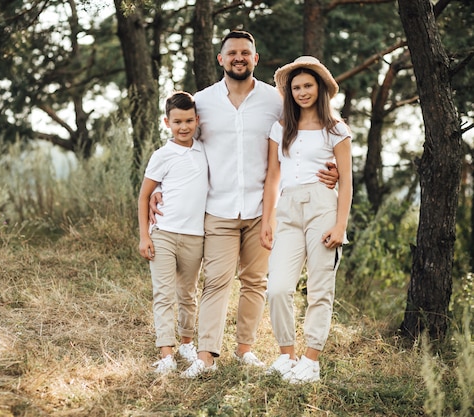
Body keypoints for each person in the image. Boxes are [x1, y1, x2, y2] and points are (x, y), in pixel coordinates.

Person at [151, 31, 340, 379]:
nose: (239, 58)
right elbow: (180, 140)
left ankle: (245, 350)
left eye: (246, 53)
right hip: (217, 208)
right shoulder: (203, 102)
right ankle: (206, 357)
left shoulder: (275, 100)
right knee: (216, 282)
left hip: (263, 210)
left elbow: (315, 128)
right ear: (221, 59)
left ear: (256, 59)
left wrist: (332, 169)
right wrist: (159, 187)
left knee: (255, 282)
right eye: (232, 53)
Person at [260, 56, 352, 384]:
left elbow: (347, 181)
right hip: (287, 208)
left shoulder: (336, 129)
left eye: (307, 86)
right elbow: (273, 175)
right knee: (278, 288)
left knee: (319, 287)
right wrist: (266, 219)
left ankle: (311, 361)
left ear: (320, 88)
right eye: (296, 87)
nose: (301, 92)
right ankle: (288, 356)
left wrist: (340, 225)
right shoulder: (281, 127)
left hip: (322, 206)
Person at [137, 91, 207, 374]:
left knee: (188, 293)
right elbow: (144, 196)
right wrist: (144, 236)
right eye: (177, 121)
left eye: (189, 120)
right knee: (163, 294)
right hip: (163, 234)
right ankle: (166, 353)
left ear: (197, 120)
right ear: (167, 122)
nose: (184, 127)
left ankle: (187, 344)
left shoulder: (205, 151)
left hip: (195, 236)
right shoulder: (162, 155)